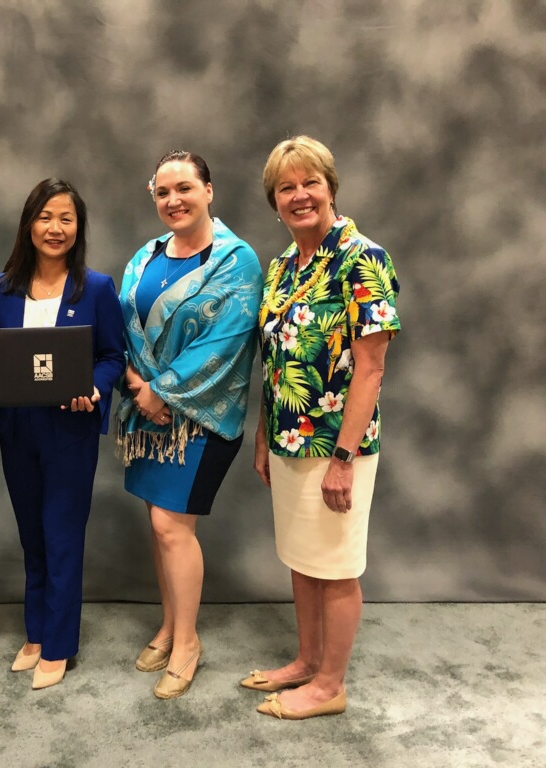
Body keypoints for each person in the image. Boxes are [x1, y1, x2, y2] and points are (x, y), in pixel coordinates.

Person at [245, 135, 401, 720]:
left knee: (334, 566)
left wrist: (342, 457)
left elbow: (372, 366)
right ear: (275, 200)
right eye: (286, 187)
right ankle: (307, 659)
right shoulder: (283, 266)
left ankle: (329, 684)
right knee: (302, 557)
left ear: (331, 187)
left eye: (310, 182)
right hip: (288, 438)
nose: (299, 195)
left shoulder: (364, 257)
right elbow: (276, 360)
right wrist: (264, 434)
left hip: (339, 444)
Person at [116, 150, 262, 699]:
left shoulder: (236, 260)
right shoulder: (146, 255)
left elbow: (226, 342)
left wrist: (161, 391)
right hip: (146, 410)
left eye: (184, 188)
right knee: (160, 525)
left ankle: (188, 643)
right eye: (162, 192)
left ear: (209, 190)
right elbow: (127, 325)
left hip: (200, 416)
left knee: (172, 527)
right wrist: (136, 384)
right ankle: (170, 625)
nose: (173, 200)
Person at [0, 179, 125, 690]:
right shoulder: (2, 288)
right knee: (33, 537)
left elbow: (113, 357)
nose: (55, 228)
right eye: (45, 217)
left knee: (62, 536)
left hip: (70, 428)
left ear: (78, 227)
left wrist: (95, 387)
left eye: (66, 218)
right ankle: (37, 632)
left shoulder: (97, 288)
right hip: (19, 427)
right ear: (29, 224)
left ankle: (59, 645)